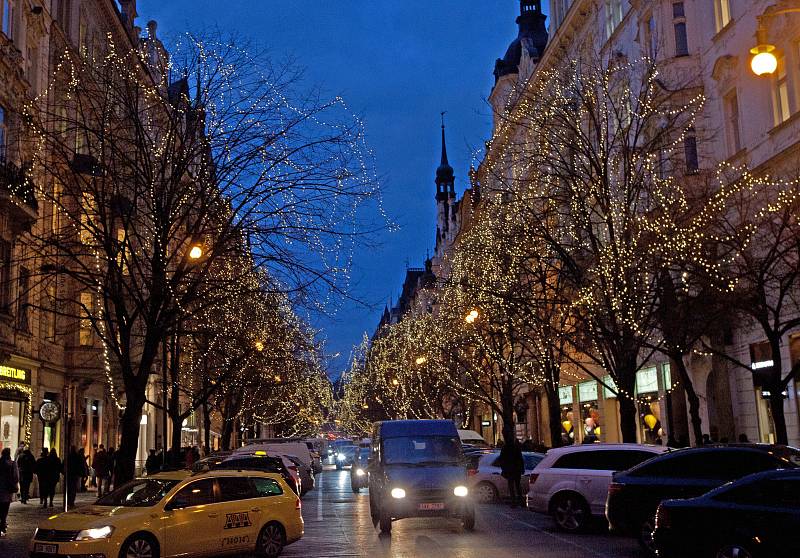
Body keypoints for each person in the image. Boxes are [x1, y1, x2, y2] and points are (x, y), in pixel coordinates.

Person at [497, 436, 525, 508]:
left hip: (510, 470)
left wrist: (504, 469)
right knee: (518, 486)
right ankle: (520, 501)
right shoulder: (516, 448)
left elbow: (501, 459)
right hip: (516, 470)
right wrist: (522, 469)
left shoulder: (505, 448)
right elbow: (520, 459)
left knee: (511, 486)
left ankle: (514, 502)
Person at [0, 447, 20, 537]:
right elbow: (16, 477)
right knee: (5, 507)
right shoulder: (12, 464)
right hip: (7, 489)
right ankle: (3, 524)